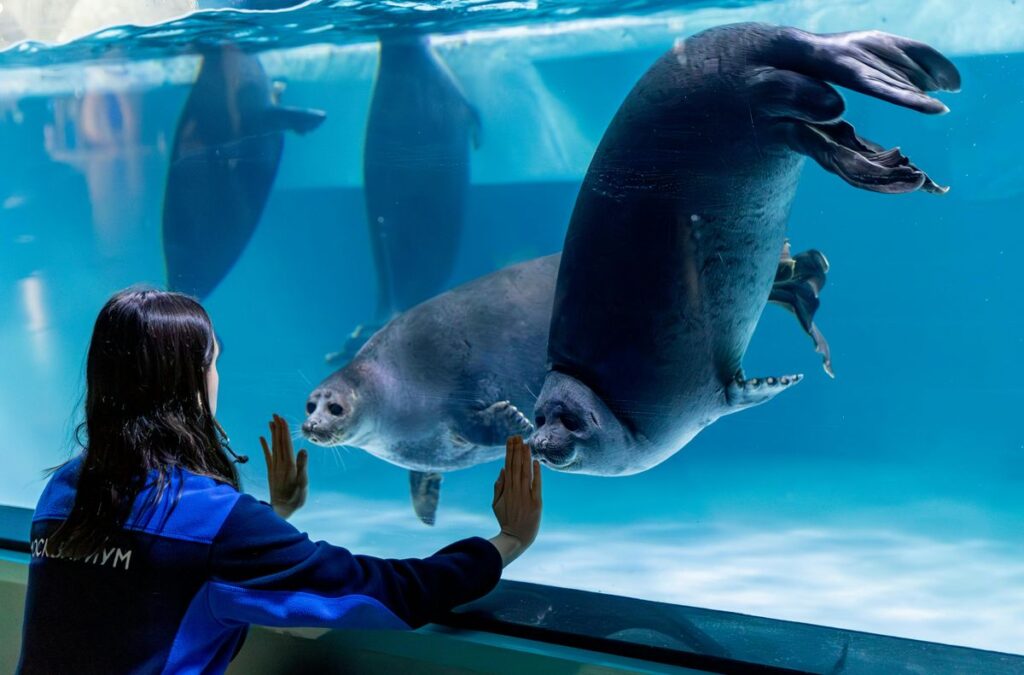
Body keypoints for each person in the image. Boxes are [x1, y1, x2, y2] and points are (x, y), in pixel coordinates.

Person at [17, 289, 542, 674]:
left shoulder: (63, 490)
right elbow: (377, 593)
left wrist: (272, 516)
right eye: (212, 364)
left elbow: (153, 575)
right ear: (193, 381)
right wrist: (504, 543)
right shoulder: (214, 522)